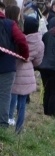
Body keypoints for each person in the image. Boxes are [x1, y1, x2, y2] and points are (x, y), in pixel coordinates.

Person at [9, 16, 44, 133]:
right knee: (22, 103)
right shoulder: (40, 43)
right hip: (28, 73)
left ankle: (7, 123)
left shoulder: (18, 38)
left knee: (11, 101)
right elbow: (38, 62)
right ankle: (18, 129)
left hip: (14, 70)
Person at [1, 0, 31, 129]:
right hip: (7, 66)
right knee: (4, 95)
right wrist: (24, 56)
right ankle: (2, 125)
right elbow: (21, 40)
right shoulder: (10, 24)